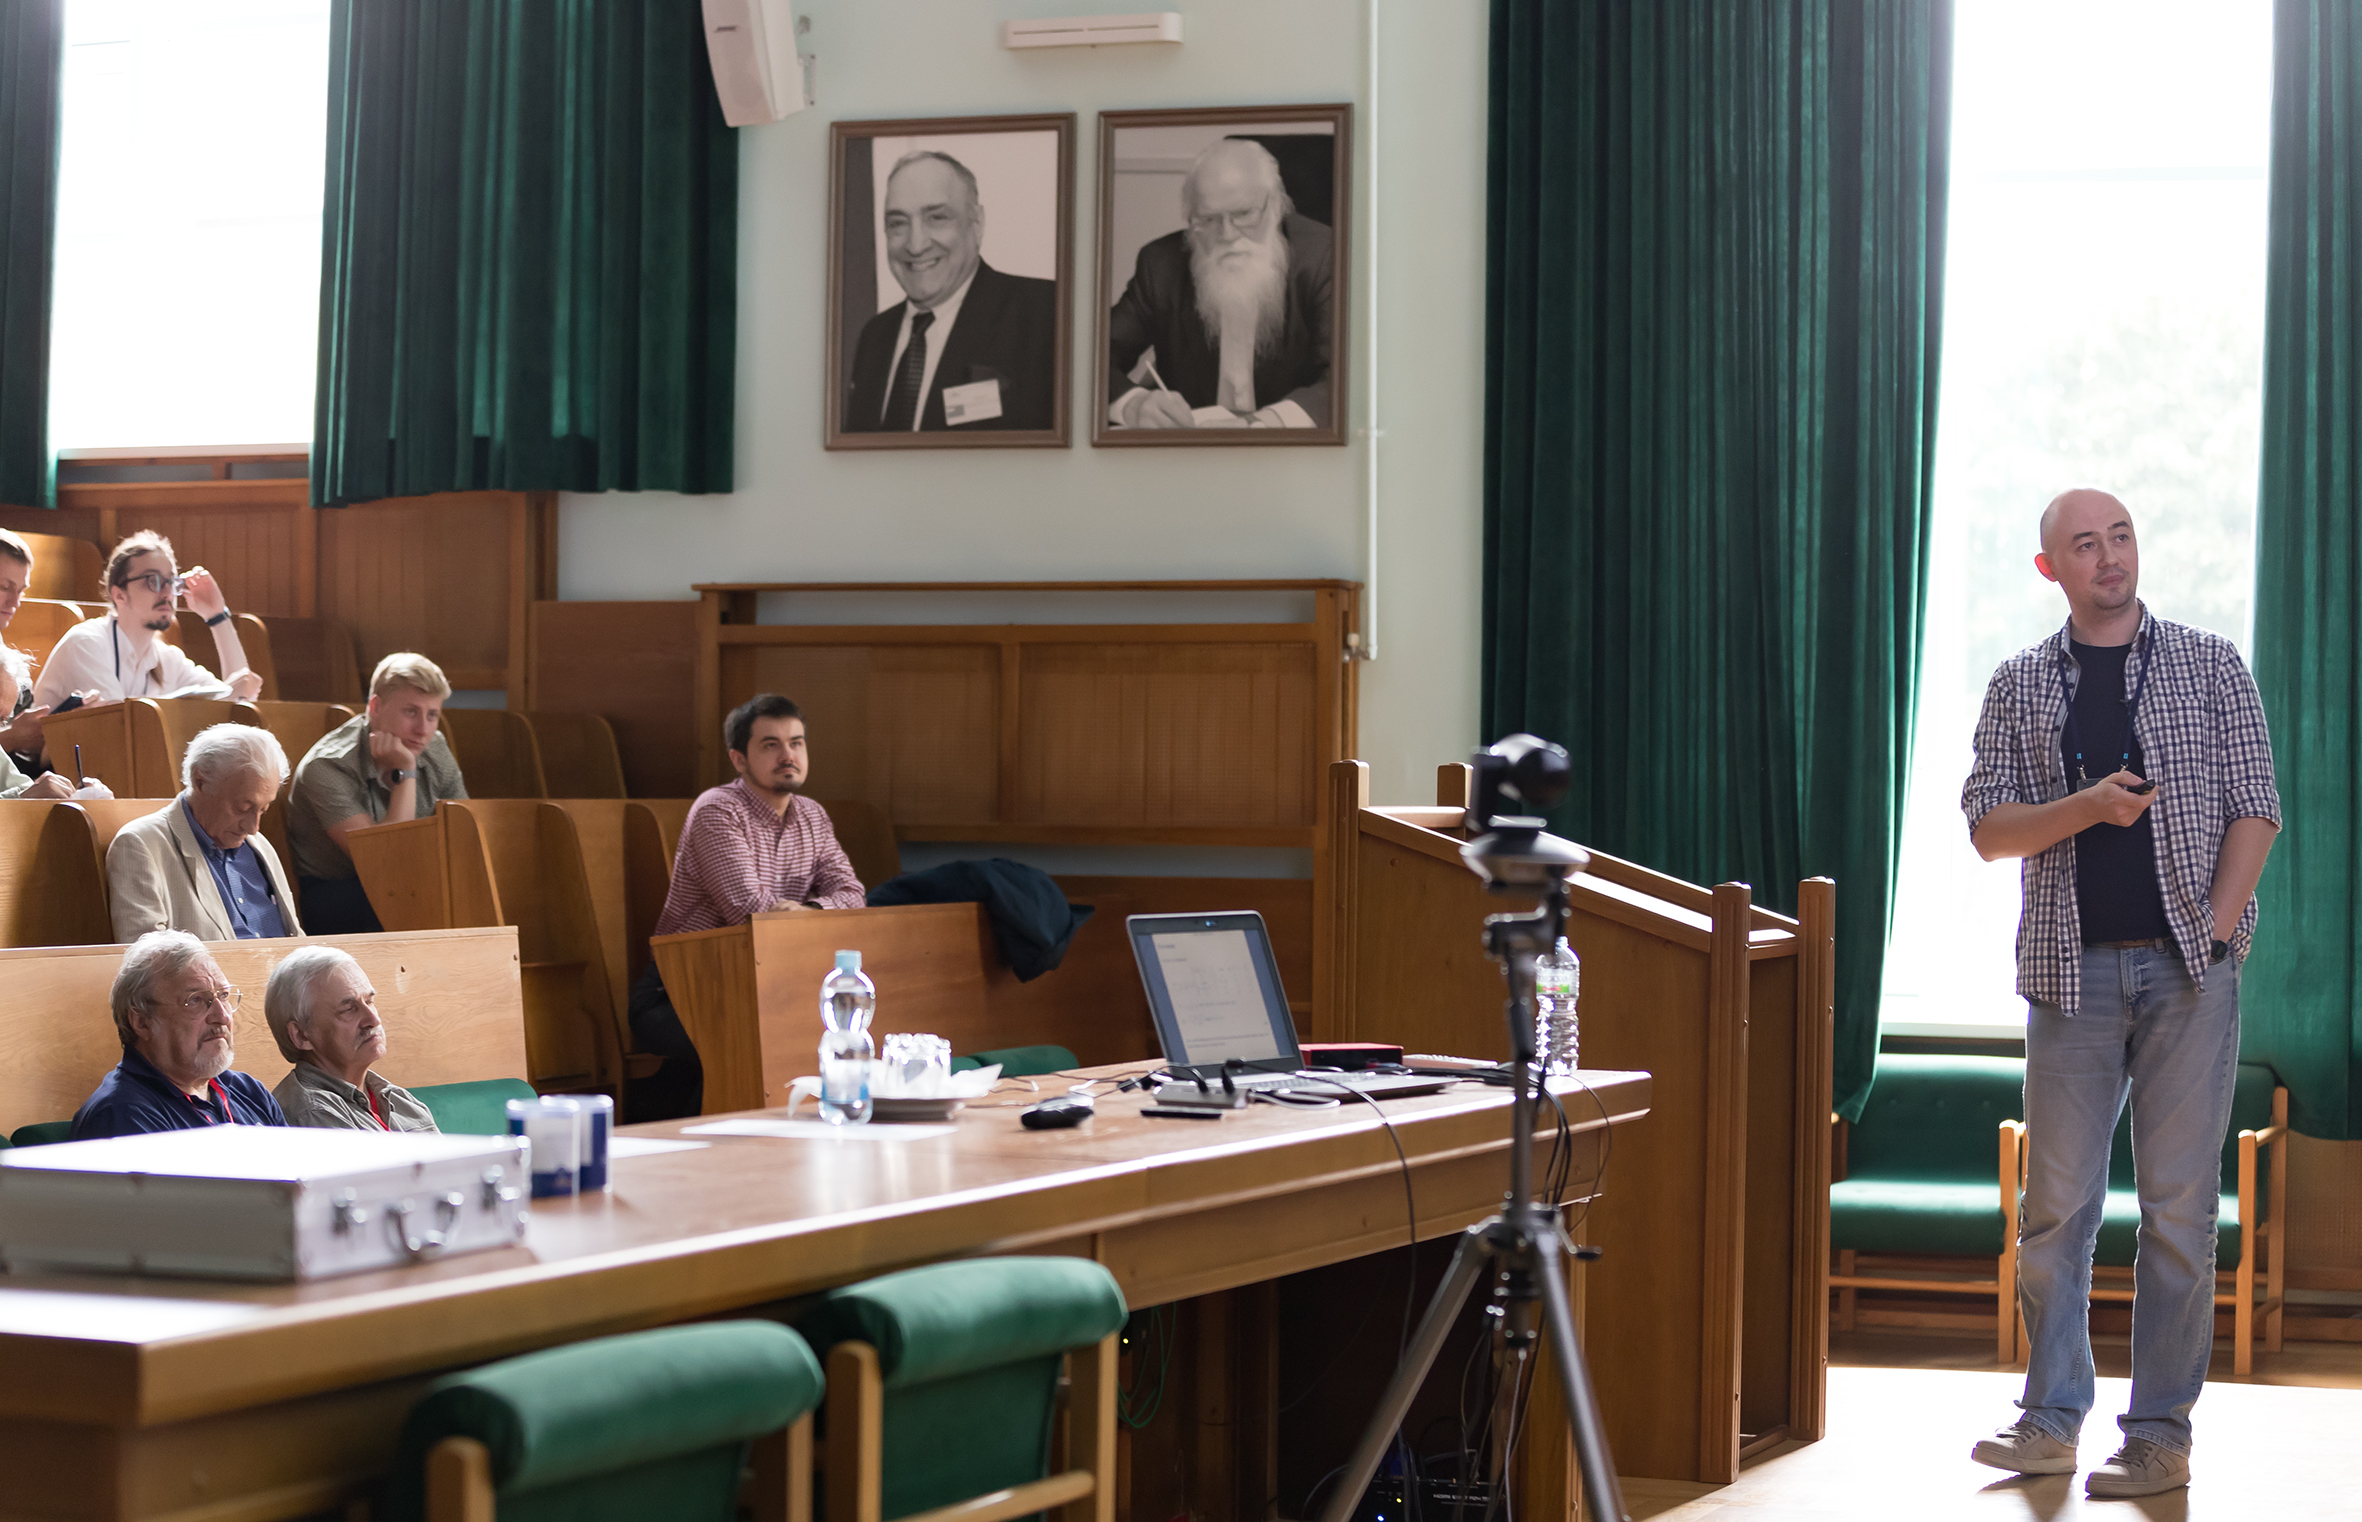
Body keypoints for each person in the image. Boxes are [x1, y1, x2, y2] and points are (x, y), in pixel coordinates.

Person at [1960, 489, 2281, 1500]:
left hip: (2191, 971)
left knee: (2179, 1214)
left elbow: (2257, 808)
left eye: (2121, 537)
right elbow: (1989, 829)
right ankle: (2051, 1420)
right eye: (2085, 545)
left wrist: (2215, 936)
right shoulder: (2018, 683)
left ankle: (2157, 1437)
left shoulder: (2210, 664)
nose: (2109, 557)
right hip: (2070, 975)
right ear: (2050, 568)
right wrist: (2087, 809)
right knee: (2056, 1212)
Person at [628, 694, 866, 1118]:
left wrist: (809, 912)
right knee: (765, 1036)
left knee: (829, 1026)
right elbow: (753, 915)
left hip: (765, 986)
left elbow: (853, 895)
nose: (788, 755)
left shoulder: (812, 815)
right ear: (739, 759)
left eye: (796, 743)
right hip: (682, 992)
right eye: (771, 745)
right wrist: (805, 915)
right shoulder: (718, 811)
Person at [1105, 138, 1334, 431]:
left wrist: (1262, 426)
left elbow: (1344, 378)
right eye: (1209, 219)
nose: (1227, 234)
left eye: (1243, 214)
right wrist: (1133, 404)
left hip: (1293, 451)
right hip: (1191, 450)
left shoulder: (1324, 256)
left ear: (1276, 205)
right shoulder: (1160, 264)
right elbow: (1092, 356)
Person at [842, 149, 1058, 433]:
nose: (915, 245)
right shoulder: (875, 336)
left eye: (937, 218)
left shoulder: (1048, 314)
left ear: (976, 224)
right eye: (897, 223)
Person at [286, 652, 467, 934]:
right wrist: (406, 772)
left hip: (413, 881)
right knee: (416, 899)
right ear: (376, 707)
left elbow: (462, 832)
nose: (423, 730)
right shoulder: (326, 766)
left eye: (432, 715)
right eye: (411, 712)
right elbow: (386, 863)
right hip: (338, 894)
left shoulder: (435, 747)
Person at [71, 929, 287, 1137]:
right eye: (196, 1000)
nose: (222, 1016)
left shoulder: (249, 1092)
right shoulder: (122, 1114)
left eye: (223, 995)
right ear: (142, 1022)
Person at [105, 723, 301, 942]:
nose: (253, 828)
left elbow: (295, 936)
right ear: (200, 781)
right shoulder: (140, 844)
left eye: (264, 809)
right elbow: (146, 956)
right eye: (242, 808)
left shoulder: (259, 846)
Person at [32, 529, 263, 709]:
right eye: (153, 581)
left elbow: (241, 699)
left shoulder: (168, 660)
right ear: (119, 595)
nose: (167, 593)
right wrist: (224, 697)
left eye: (171, 581)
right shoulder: (86, 644)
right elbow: (120, 726)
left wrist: (217, 616)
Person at [266, 945, 438, 1132]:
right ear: (301, 1035)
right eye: (348, 1009)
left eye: (369, 1001)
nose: (374, 1020)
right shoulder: (313, 1113)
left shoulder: (397, 1098)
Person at [0, 527, 49, 773]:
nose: (15, 602)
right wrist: (10, 738)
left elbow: (22, 768)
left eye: (21, 591)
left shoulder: (9, 661)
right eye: (4, 587)